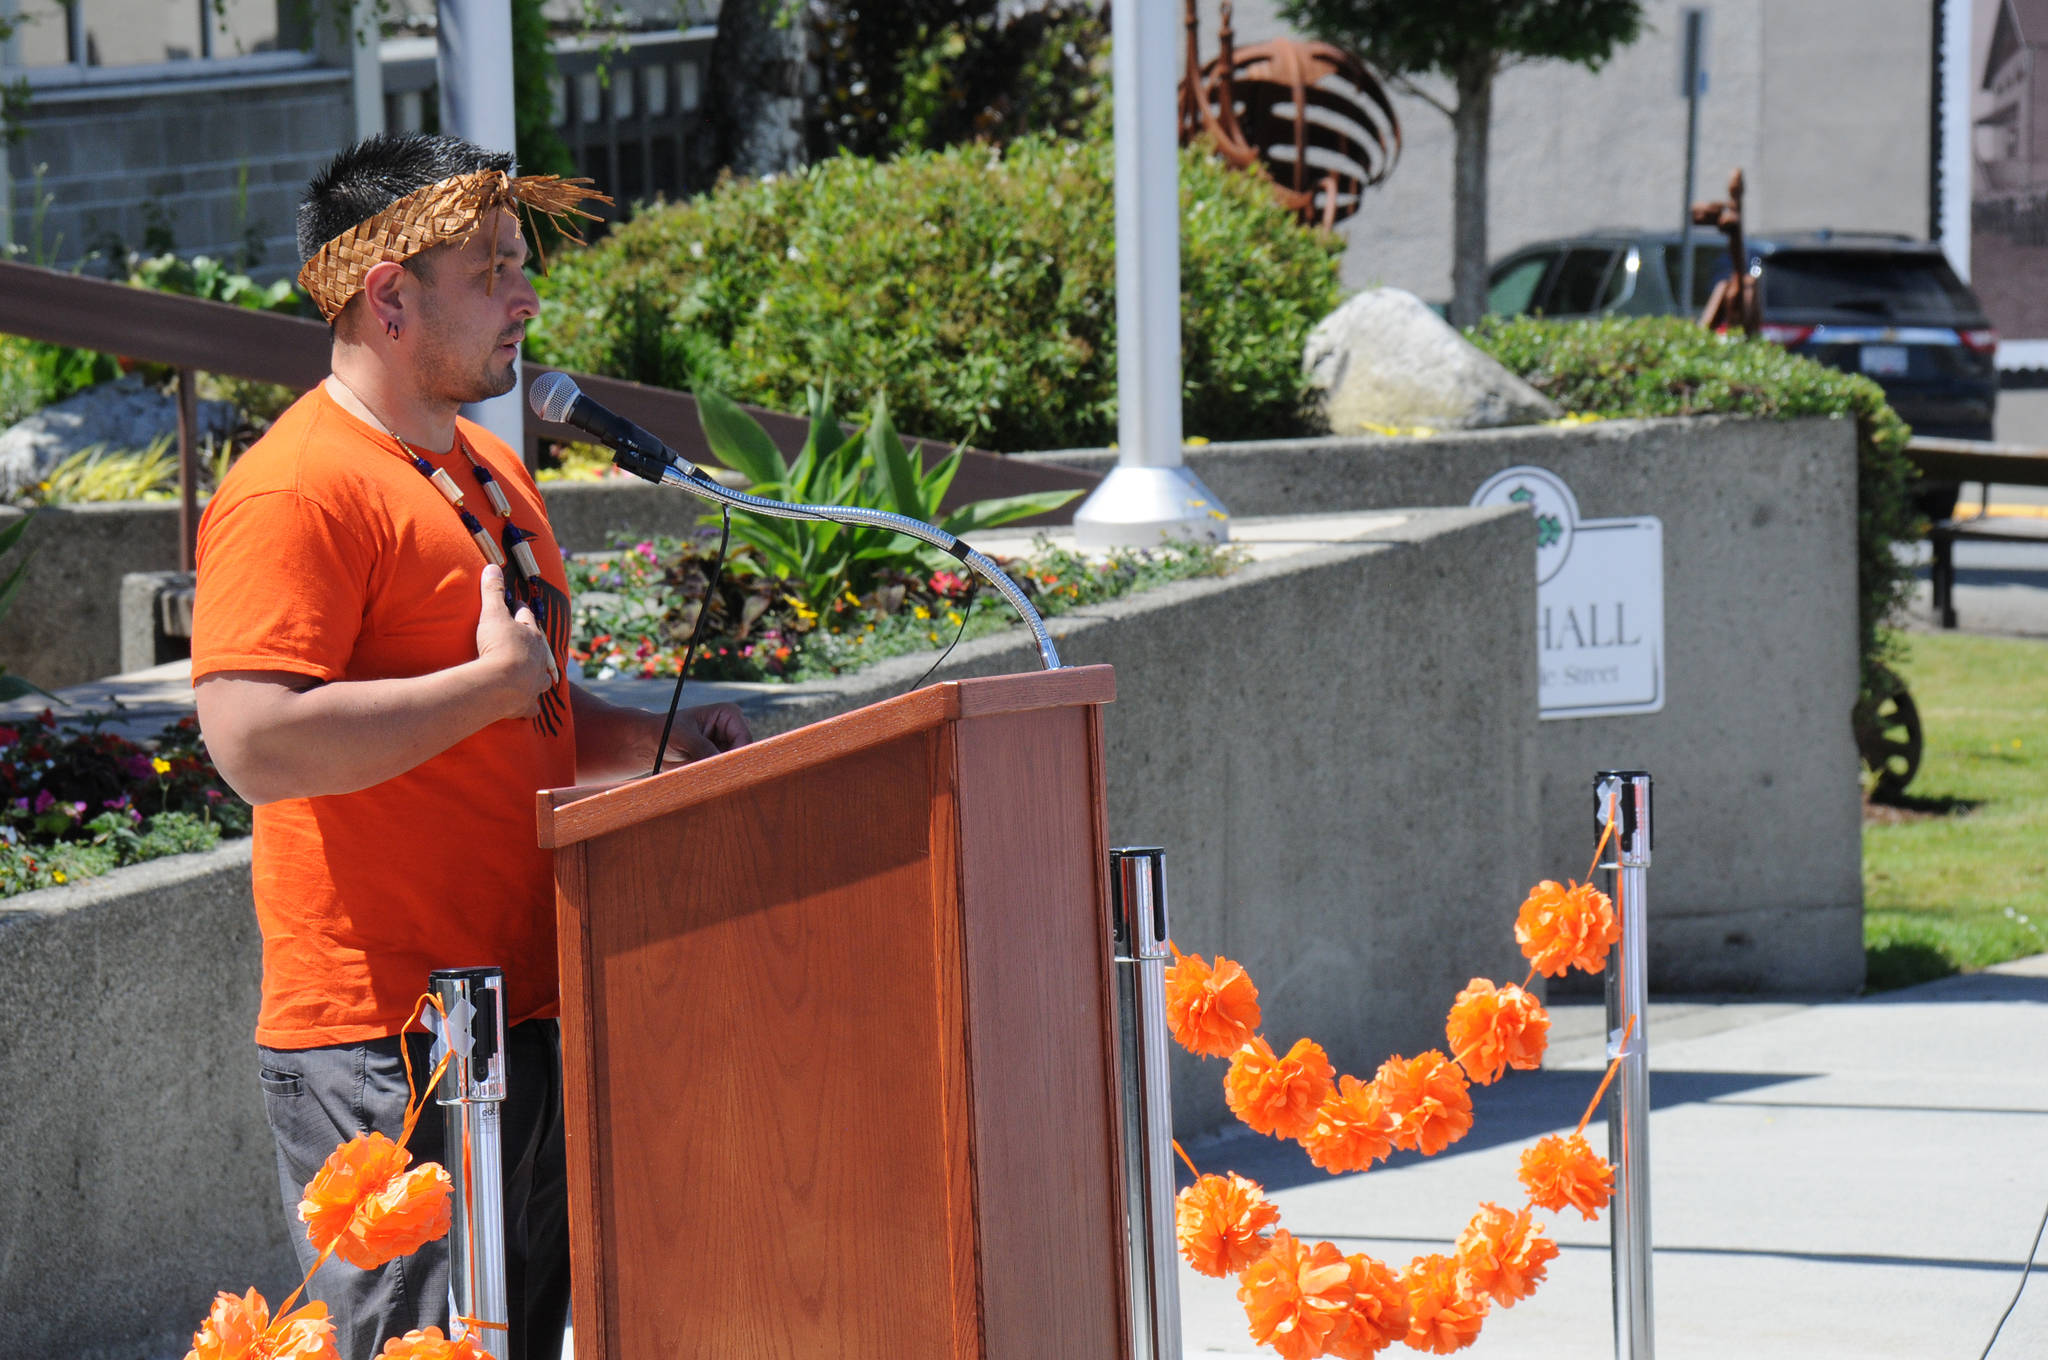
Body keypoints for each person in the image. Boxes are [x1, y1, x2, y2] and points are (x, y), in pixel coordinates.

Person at [191, 132, 749, 1360]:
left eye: (520, 264)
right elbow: (252, 740)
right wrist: (490, 684)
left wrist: (653, 737)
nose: (526, 296)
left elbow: (525, 712)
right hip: (384, 1041)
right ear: (389, 296)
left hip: (537, 1011)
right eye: (493, 267)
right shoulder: (299, 488)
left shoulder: (491, 466)